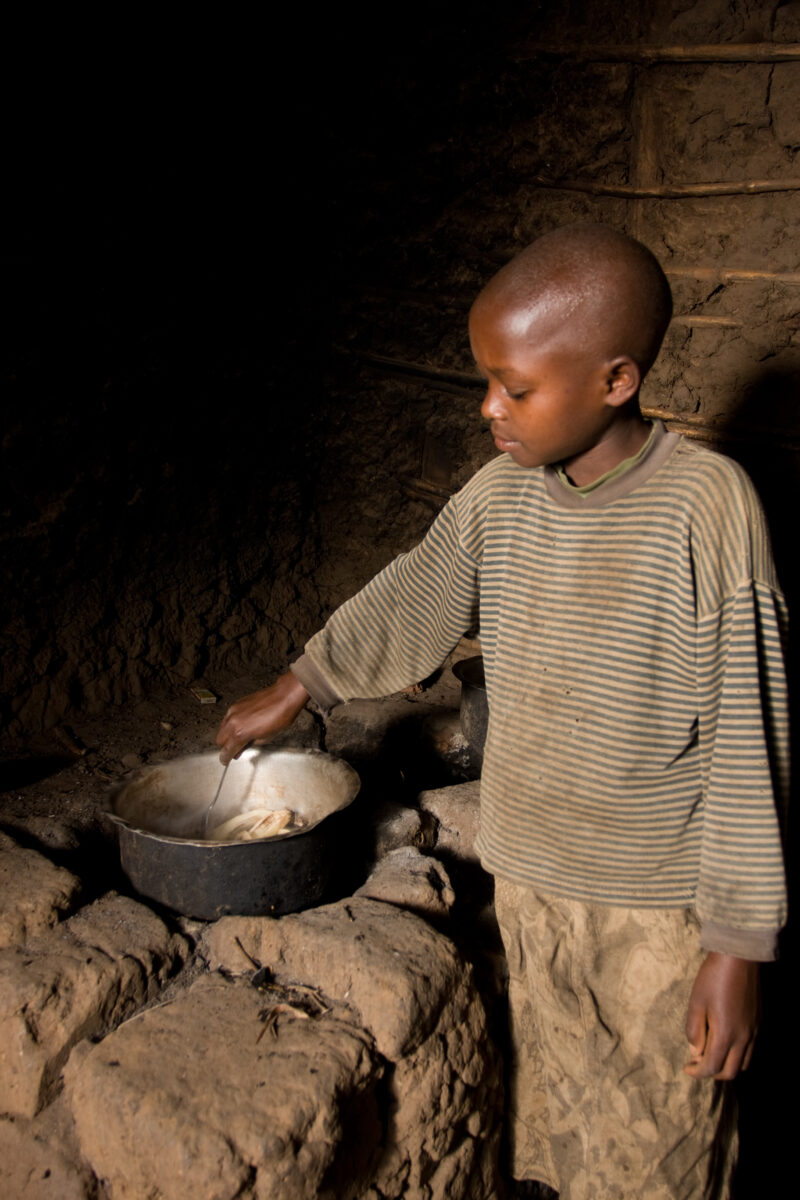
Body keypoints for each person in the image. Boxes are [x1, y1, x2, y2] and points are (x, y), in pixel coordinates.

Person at [216, 224, 788, 1199]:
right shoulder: (499, 498)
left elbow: (749, 734)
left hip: (652, 908)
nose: (488, 407)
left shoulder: (705, 509)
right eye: (486, 379)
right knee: (551, 1108)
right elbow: (415, 594)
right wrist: (302, 681)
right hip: (527, 879)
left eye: (514, 387)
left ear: (613, 380)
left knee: (657, 1138)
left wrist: (736, 944)